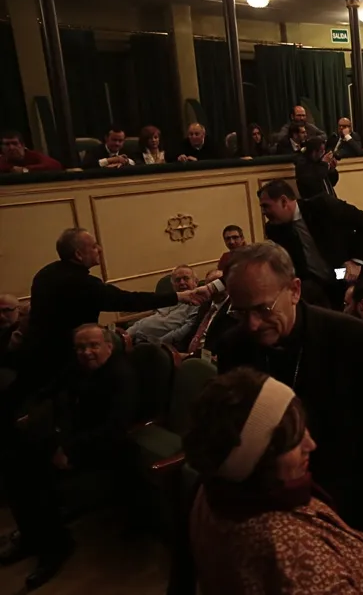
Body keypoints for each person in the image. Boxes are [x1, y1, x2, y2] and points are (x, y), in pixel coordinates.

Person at [215, 242, 363, 570]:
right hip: (269, 508)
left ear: (294, 290)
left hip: (351, 507)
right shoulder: (234, 346)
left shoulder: (354, 339)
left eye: (263, 309)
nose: (252, 324)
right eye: (241, 313)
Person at [185, 368, 363, 595]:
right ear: (260, 462)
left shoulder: (212, 490)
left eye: (303, 428)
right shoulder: (296, 555)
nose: (311, 445)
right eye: (294, 442)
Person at [0, 324, 138, 590]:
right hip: (72, 436)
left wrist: (68, 449)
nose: (86, 352)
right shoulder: (79, 367)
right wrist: (32, 412)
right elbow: (50, 389)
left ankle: (56, 547)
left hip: (106, 446)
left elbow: (114, 429)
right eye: (80, 347)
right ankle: (31, 534)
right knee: (12, 461)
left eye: (93, 346)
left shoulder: (122, 376)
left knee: (36, 474)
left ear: (109, 346)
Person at [17, 229, 205, 391]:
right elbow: (128, 300)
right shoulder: (82, 284)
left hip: (36, 354)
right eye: (94, 246)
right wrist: (179, 297)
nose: (99, 249)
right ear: (79, 255)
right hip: (66, 359)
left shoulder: (45, 273)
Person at [257, 179, 363, 308]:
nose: (263, 212)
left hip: (351, 277)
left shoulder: (322, 206)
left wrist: (356, 261)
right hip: (318, 288)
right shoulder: (274, 229)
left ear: (284, 201)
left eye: (266, 206)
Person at [164, 269, 236, 355]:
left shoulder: (232, 310)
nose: (217, 289)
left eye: (218, 284)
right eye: (212, 284)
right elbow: (192, 332)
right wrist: (177, 353)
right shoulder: (205, 305)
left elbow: (219, 344)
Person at [126, 265, 200, 344]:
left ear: (195, 282)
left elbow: (184, 330)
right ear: (173, 285)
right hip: (134, 335)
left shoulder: (197, 303)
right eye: (177, 280)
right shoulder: (169, 299)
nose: (182, 283)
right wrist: (127, 334)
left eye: (186, 278)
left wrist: (159, 343)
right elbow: (152, 318)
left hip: (152, 344)